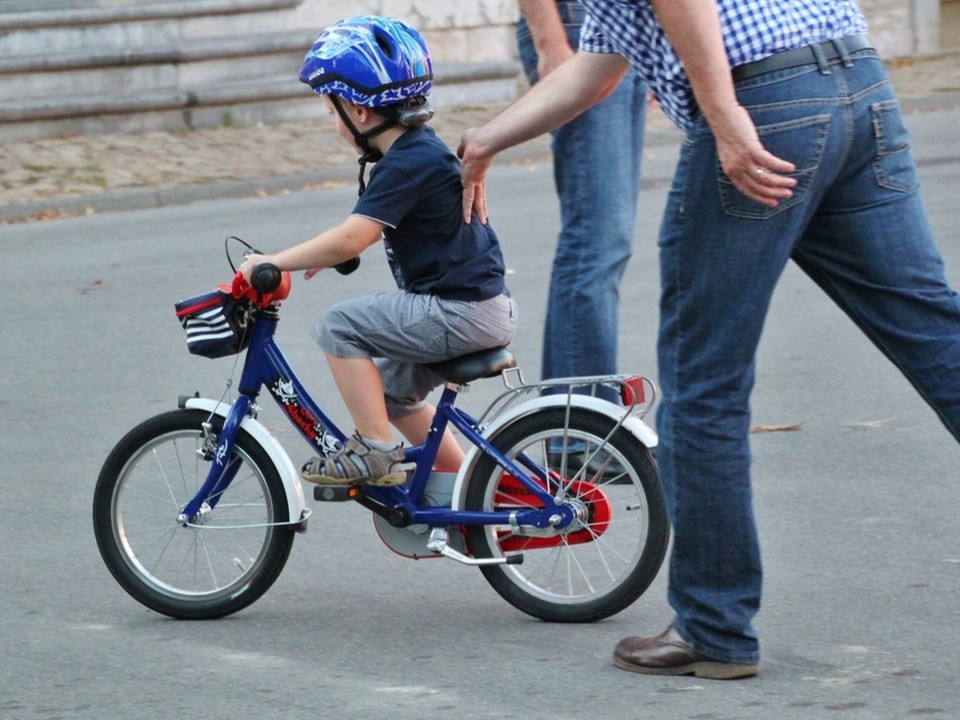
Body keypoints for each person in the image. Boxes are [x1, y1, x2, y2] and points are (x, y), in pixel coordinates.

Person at [457, 0, 960, 679]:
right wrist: (486, 139)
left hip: (761, 100)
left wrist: (722, 116)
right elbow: (595, 75)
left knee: (704, 382)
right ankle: (713, 621)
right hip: (857, 84)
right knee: (933, 332)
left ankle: (714, 625)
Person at [241, 16, 518, 486]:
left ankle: (373, 450)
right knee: (391, 394)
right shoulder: (416, 153)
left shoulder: (406, 164)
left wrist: (273, 261)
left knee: (338, 325)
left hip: (458, 311)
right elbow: (365, 234)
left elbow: (353, 237)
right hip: (479, 307)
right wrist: (324, 256)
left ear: (359, 111)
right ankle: (463, 490)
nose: (335, 122)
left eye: (333, 111)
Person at [516, 1, 646, 409]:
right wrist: (549, 40)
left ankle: (574, 423)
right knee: (597, 240)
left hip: (623, 30)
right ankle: (579, 429)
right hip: (576, 29)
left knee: (604, 242)